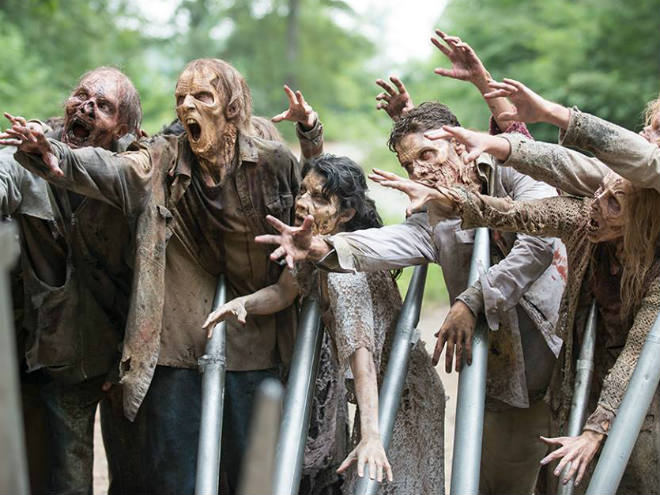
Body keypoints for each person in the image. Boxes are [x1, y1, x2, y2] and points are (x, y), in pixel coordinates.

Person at [255, 30, 567, 495]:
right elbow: (384, 243)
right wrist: (320, 248)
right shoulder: (432, 217)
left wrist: (472, 300)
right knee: (499, 487)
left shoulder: (513, 167)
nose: (419, 171)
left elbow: (540, 240)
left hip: (572, 355)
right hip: (513, 384)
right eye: (408, 165)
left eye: (427, 156)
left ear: (460, 144)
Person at [3, 58, 310, 494]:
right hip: (122, 345)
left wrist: (311, 137)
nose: (188, 106)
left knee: (218, 474)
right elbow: (98, 169)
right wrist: (52, 155)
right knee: (134, 477)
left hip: (199, 341)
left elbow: (316, 199)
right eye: (181, 97)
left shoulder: (264, 162)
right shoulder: (155, 156)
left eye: (202, 96)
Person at [205, 153, 446, 494]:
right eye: (303, 191)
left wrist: (371, 434)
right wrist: (243, 303)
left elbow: (361, 356)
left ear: (346, 214)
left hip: (402, 392)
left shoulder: (346, 271)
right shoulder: (316, 249)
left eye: (319, 198)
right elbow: (284, 291)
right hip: (378, 395)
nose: (302, 202)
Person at [0, 67, 143, 495]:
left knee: (139, 473)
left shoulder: (134, 167)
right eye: (81, 96)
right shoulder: (29, 149)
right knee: (67, 475)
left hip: (129, 350)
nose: (86, 108)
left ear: (122, 129)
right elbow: (5, 176)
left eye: (103, 106)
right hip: (60, 350)